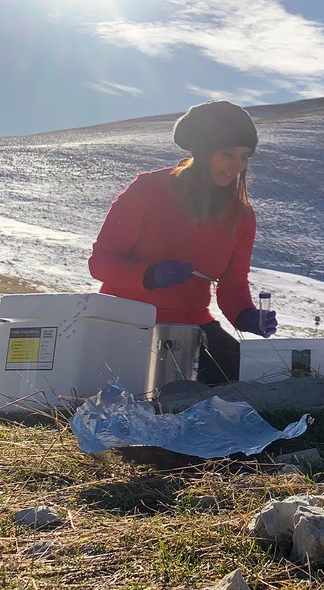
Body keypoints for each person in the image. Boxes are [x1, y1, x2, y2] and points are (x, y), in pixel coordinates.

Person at [89, 99, 276, 385]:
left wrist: (247, 315)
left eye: (244, 156)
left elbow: (233, 283)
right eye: (228, 154)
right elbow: (101, 263)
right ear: (204, 151)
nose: (237, 166)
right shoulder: (148, 190)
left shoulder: (241, 216)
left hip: (193, 325)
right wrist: (150, 275)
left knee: (251, 378)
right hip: (127, 321)